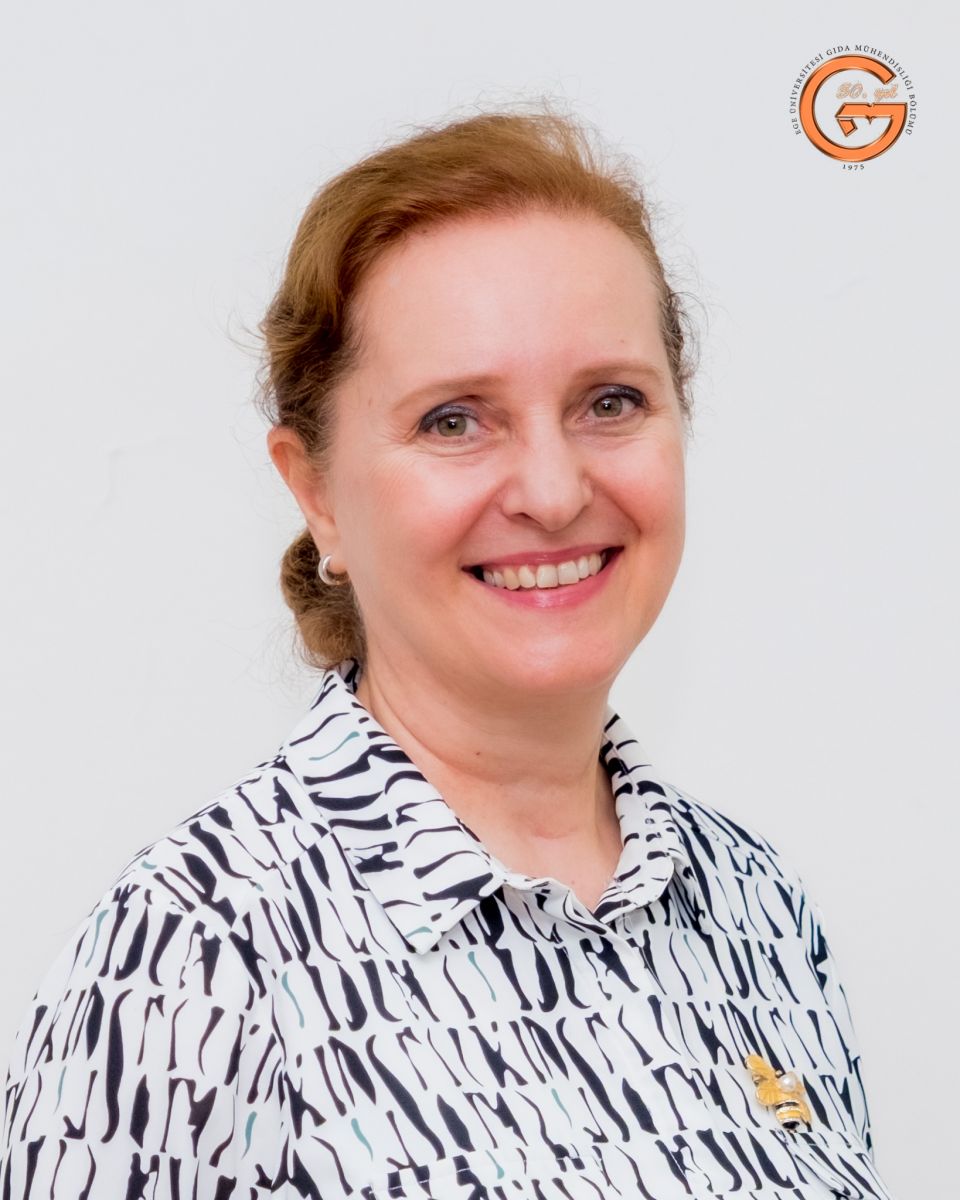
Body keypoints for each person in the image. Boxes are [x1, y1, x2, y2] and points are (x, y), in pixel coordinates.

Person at [0, 105, 896, 1200]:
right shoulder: (190, 962)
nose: (554, 492)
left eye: (610, 401)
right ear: (317, 492)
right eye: (455, 421)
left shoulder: (756, 907)